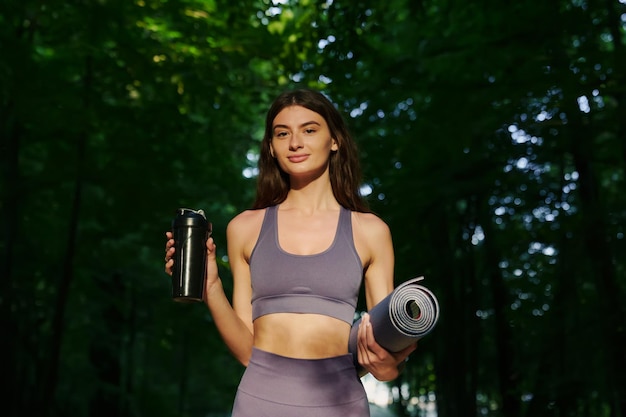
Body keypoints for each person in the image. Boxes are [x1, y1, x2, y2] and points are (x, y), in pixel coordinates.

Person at [164, 89, 416, 417]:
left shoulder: (371, 231)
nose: (295, 142)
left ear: (335, 140)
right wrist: (210, 286)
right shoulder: (245, 228)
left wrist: (388, 367)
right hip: (259, 402)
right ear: (271, 146)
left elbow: (384, 345)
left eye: (309, 130)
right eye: (283, 133)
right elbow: (245, 352)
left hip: (341, 404)